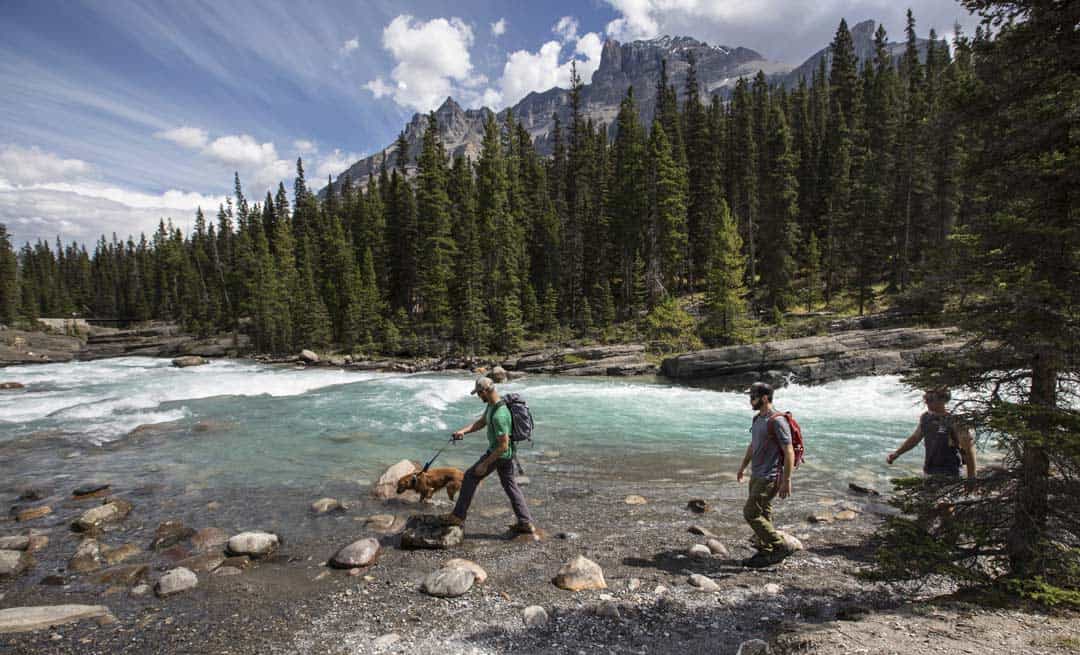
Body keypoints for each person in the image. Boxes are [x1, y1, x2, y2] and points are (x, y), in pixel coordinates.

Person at [440, 377, 536, 534]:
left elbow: (503, 445)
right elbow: (481, 422)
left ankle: (457, 516)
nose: (478, 397)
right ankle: (525, 522)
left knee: (470, 476)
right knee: (510, 486)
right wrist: (463, 431)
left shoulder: (500, 415)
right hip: (507, 455)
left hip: (500, 454)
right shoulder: (493, 406)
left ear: (485, 391)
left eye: (479, 393)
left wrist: (485, 464)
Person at [736, 382, 797, 568]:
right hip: (757, 474)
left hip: (770, 476)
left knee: (751, 513)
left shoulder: (777, 421)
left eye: (753, 396)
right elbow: (753, 445)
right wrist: (743, 467)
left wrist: (787, 480)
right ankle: (767, 551)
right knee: (763, 511)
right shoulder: (757, 419)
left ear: (764, 398)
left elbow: (789, 451)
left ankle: (779, 546)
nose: (750, 400)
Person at [887, 387, 976, 482]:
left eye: (930, 399)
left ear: (943, 400)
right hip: (929, 470)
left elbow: (968, 450)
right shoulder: (926, 417)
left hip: (950, 472)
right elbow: (915, 438)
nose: (926, 402)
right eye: (925, 399)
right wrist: (897, 453)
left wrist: (971, 478)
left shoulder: (955, 421)